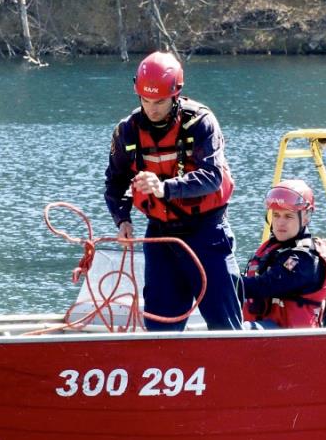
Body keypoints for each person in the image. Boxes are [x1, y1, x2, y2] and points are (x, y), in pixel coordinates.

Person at [103, 52, 244, 331]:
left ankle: (238, 369)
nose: (152, 109)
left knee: (225, 323)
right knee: (159, 325)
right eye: (145, 100)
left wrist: (164, 188)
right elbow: (115, 182)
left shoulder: (200, 122)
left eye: (159, 102)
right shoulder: (127, 132)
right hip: (161, 234)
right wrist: (122, 219)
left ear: (176, 94)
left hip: (206, 232)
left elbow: (212, 177)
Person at [239, 179, 326, 329]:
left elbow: (264, 286)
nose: (280, 223)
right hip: (268, 330)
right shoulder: (275, 248)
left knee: (235, 330)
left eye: (288, 216)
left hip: (291, 339)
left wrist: (224, 283)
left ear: (306, 217)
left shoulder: (305, 259)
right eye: (276, 215)